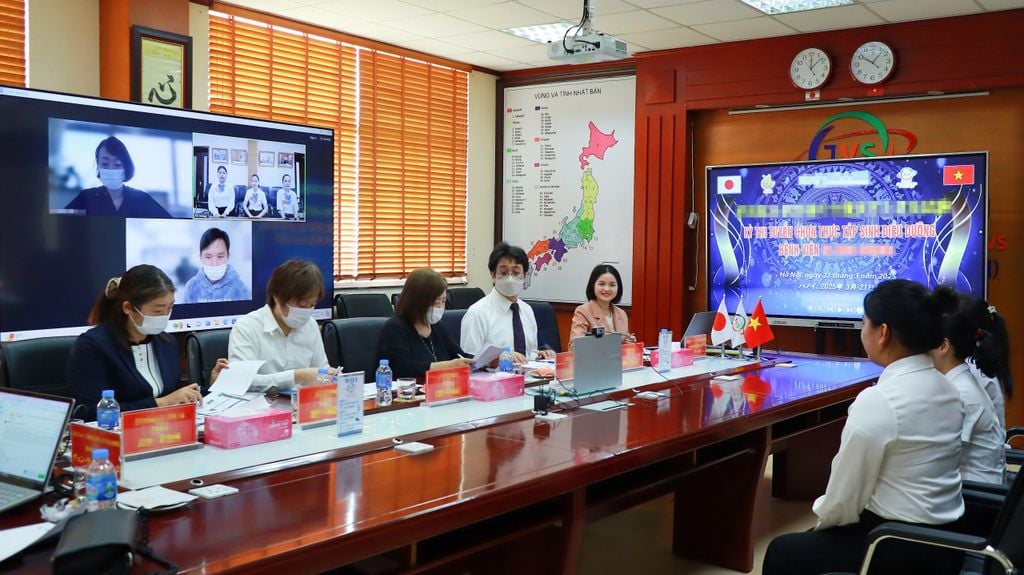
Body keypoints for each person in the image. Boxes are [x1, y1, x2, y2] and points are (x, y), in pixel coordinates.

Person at [762, 280, 965, 575]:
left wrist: (820, 527)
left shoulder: (880, 400)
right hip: (948, 544)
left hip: (895, 545)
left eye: (863, 322)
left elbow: (843, 500)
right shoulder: (949, 389)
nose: (861, 331)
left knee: (782, 551)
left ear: (883, 333)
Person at [68, 265, 226, 421]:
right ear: (128, 308)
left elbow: (176, 395)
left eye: (169, 308)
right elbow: (90, 412)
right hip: (117, 432)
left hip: (164, 428)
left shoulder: (167, 343)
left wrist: (213, 386)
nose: (165, 316)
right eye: (157, 310)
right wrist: (161, 403)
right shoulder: (93, 346)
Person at [932, 293, 1009, 484]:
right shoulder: (960, 380)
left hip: (975, 494)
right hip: (971, 485)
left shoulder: (958, 393)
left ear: (943, 346)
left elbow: (936, 459)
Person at [228, 259, 330, 391]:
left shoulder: (310, 324)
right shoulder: (247, 327)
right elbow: (241, 380)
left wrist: (330, 378)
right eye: (301, 305)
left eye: (312, 305)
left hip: (304, 401)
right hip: (261, 403)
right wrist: (296, 376)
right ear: (277, 297)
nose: (306, 312)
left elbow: (322, 370)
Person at [461, 242, 556, 364]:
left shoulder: (527, 310)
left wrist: (539, 355)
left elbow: (529, 353)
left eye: (516, 273)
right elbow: (469, 362)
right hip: (494, 375)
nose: (510, 279)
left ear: (524, 276)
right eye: (504, 273)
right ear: (493, 275)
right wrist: (501, 358)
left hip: (528, 375)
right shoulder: (477, 313)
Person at [377, 268, 475, 379]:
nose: (440, 307)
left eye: (443, 301)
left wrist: (480, 361)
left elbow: (458, 354)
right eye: (436, 302)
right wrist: (447, 366)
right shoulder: (395, 328)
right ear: (417, 301)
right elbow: (402, 368)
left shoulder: (437, 326)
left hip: (440, 386)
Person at [64, 136, 171, 218]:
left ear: (126, 166)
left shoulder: (141, 198)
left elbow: (168, 224)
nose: (111, 169)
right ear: (98, 166)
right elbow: (60, 224)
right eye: (105, 164)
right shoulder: (86, 197)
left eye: (117, 164)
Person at [568, 264, 635, 350]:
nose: (607, 289)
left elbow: (622, 345)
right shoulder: (583, 311)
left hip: (616, 358)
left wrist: (628, 342)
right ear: (593, 285)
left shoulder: (622, 314)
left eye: (612, 285)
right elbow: (574, 347)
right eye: (602, 284)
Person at [182, 228, 249, 303]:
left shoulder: (240, 288)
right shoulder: (191, 287)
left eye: (220, 257)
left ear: (228, 256)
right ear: (201, 257)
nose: (214, 263)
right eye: (208, 257)